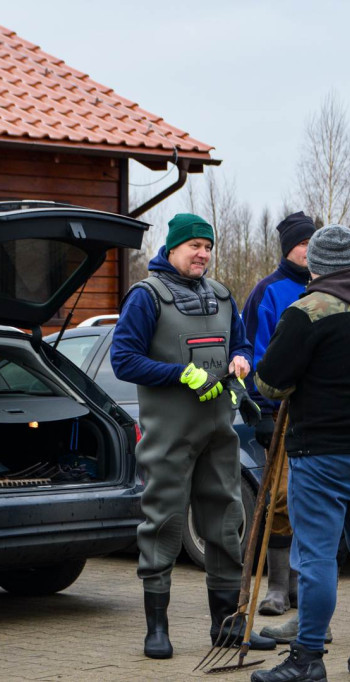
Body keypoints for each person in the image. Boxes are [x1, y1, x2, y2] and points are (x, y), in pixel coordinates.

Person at [110, 213, 276, 659]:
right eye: (194, 246)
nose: (202, 253)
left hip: (220, 433)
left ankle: (226, 627)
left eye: (208, 246)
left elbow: (241, 343)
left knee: (225, 523)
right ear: (173, 248)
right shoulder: (147, 297)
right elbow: (123, 360)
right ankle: (157, 629)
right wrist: (178, 374)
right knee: (162, 522)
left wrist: (242, 360)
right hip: (169, 435)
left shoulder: (222, 296)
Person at [250, 224, 350, 682]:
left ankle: (307, 657)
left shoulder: (306, 311)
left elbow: (270, 382)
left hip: (319, 453)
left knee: (315, 557)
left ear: (313, 264)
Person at [241, 211, 315, 616]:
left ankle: (303, 586)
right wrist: (261, 411)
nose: (307, 250)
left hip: (319, 413)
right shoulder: (267, 291)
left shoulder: (329, 287)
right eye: (302, 244)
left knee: (313, 500)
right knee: (281, 499)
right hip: (281, 412)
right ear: (289, 248)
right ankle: (276, 587)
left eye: (312, 243)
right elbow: (250, 352)